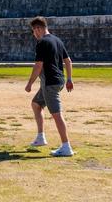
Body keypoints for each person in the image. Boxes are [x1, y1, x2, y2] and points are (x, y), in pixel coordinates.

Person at [24, 16, 75, 157]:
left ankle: (66, 146)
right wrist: (69, 79)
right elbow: (68, 61)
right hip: (59, 80)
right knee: (36, 104)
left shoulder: (42, 43)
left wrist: (29, 84)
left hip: (49, 83)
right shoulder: (57, 40)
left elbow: (38, 66)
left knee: (57, 114)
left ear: (37, 28)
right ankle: (41, 137)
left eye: (33, 30)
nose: (33, 33)